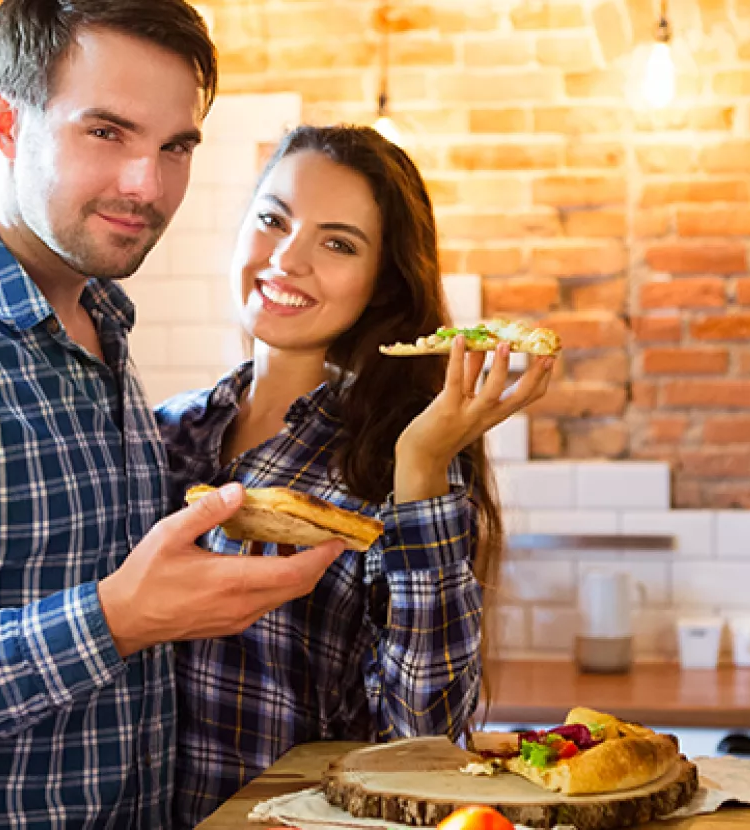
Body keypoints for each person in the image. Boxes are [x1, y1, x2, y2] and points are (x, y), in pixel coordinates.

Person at [0, 2, 345, 827]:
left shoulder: (100, 317)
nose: (148, 186)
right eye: (106, 132)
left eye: (174, 147)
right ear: (5, 121)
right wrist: (113, 621)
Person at [157, 124, 555, 828]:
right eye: (272, 219)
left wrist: (423, 469)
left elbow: (426, 747)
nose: (286, 257)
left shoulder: (384, 465)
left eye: (337, 243)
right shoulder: (159, 435)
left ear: (381, 285)